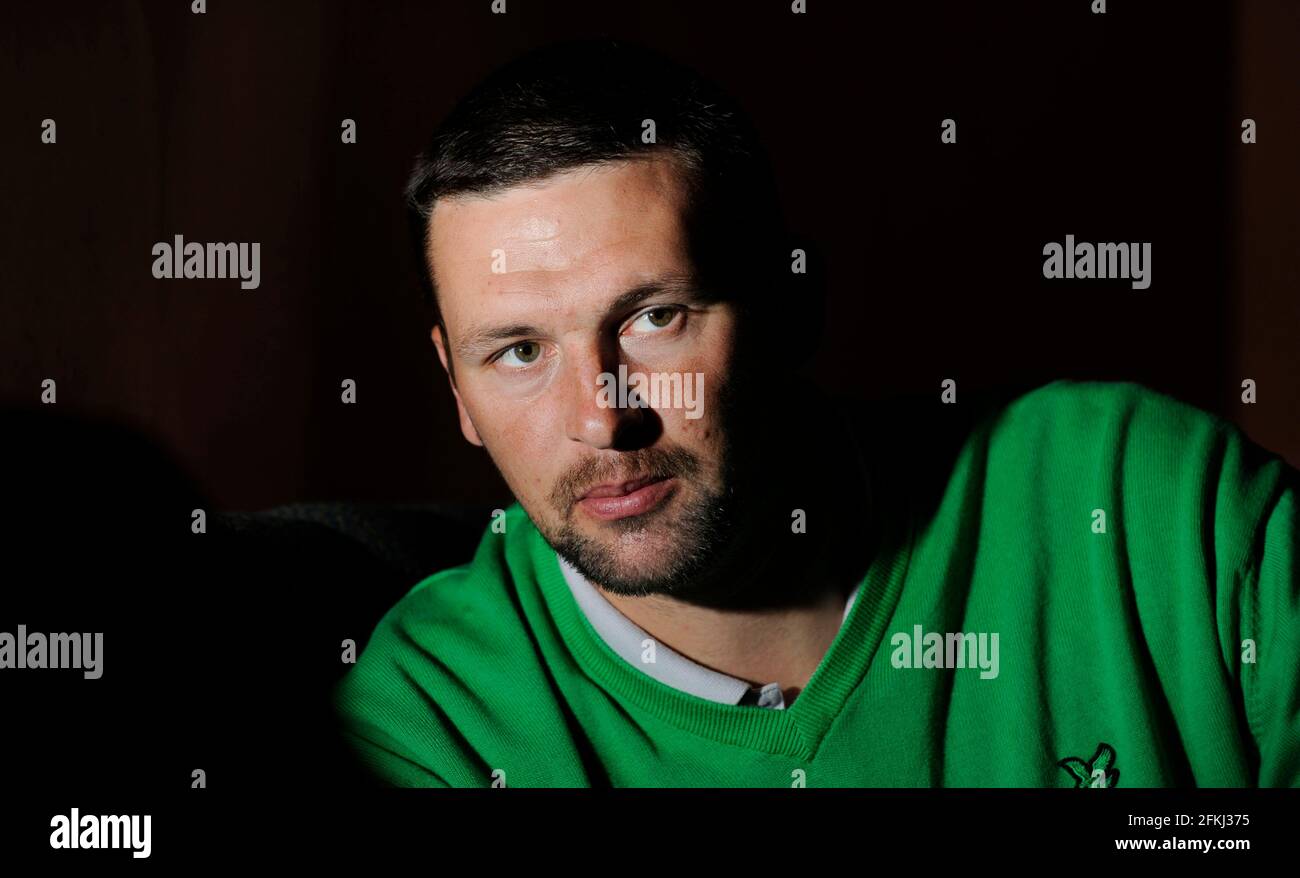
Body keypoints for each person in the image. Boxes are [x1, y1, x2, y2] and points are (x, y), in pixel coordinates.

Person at [333, 39, 1298, 787]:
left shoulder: (1152, 510)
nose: (602, 417)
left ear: (794, 305)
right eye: (518, 352)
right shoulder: (432, 724)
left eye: (656, 318)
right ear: (457, 389)